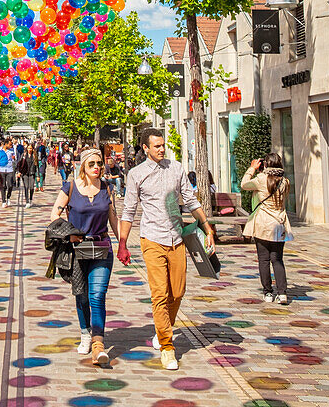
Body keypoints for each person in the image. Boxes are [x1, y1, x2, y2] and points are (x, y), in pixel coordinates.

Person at [119, 127, 214, 372]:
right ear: (146, 148)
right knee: (159, 294)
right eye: (157, 146)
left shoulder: (176, 168)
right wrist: (122, 242)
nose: (162, 149)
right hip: (151, 239)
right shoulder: (136, 174)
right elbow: (128, 210)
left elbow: (191, 200)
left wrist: (207, 227)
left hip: (177, 238)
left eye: (163, 145)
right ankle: (167, 346)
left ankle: (163, 328)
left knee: (178, 291)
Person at [49, 147, 120, 367]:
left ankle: (98, 339)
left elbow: (113, 217)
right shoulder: (70, 187)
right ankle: (85, 332)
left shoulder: (107, 188)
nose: (97, 167)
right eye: (92, 164)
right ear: (83, 166)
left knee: (97, 295)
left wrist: (124, 244)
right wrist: (68, 234)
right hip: (77, 249)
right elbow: (54, 214)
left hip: (101, 247)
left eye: (100, 163)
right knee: (82, 295)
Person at [241, 152, 292, 304]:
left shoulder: (261, 179)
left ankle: (268, 293)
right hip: (279, 223)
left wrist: (252, 169)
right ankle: (282, 293)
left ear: (265, 165)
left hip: (263, 223)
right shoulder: (285, 182)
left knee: (263, 259)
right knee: (277, 259)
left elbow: (244, 184)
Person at [0, 138, 15, 207]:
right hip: (1, 170)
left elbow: (14, 159)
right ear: (5, 144)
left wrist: (14, 160)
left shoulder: (11, 151)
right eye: (10, 145)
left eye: (11, 144)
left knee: (10, 185)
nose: (11, 146)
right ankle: (3, 201)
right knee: (3, 186)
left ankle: (8, 197)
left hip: (10, 170)